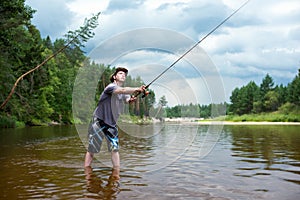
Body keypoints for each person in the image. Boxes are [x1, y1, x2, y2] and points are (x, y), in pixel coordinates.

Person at [84, 67, 146, 170]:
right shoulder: (110, 87)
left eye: (125, 75)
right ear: (114, 77)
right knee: (92, 149)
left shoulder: (122, 92)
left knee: (115, 149)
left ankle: (116, 173)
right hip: (99, 121)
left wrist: (130, 100)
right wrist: (137, 89)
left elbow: (126, 98)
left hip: (111, 124)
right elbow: (122, 90)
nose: (123, 75)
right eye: (120, 73)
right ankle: (86, 172)